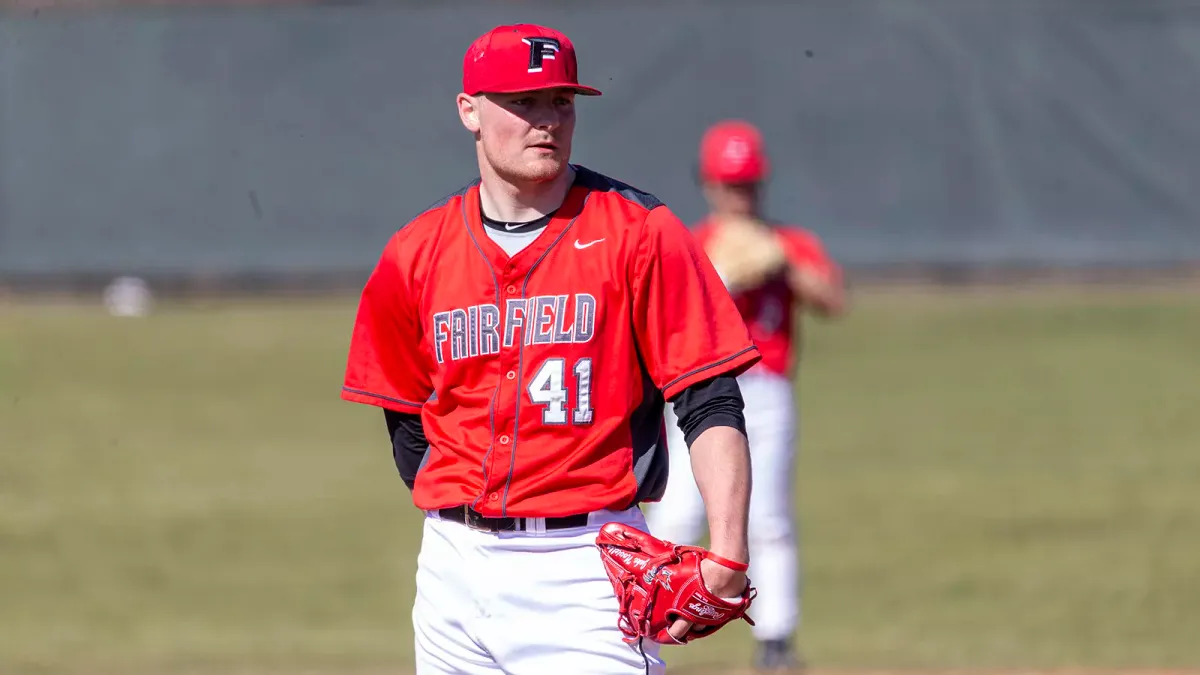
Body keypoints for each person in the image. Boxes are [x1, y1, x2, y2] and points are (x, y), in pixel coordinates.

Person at [341, 24, 765, 675]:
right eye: (523, 102)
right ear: (469, 111)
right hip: (452, 573)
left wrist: (730, 550)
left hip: (587, 568)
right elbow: (403, 413)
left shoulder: (639, 231)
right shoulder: (416, 251)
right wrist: (460, 510)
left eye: (561, 102)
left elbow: (708, 398)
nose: (547, 121)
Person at [644, 119, 847, 671]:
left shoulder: (786, 243)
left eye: (749, 184)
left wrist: (782, 264)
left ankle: (776, 641)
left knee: (769, 518)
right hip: (697, 393)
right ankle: (645, 627)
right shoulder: (691, 243)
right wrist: (718, 276)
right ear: (709, 185)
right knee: (676, 514)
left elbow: (834, 299)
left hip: (767, 392)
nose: (741, 196)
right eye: (731, 185)